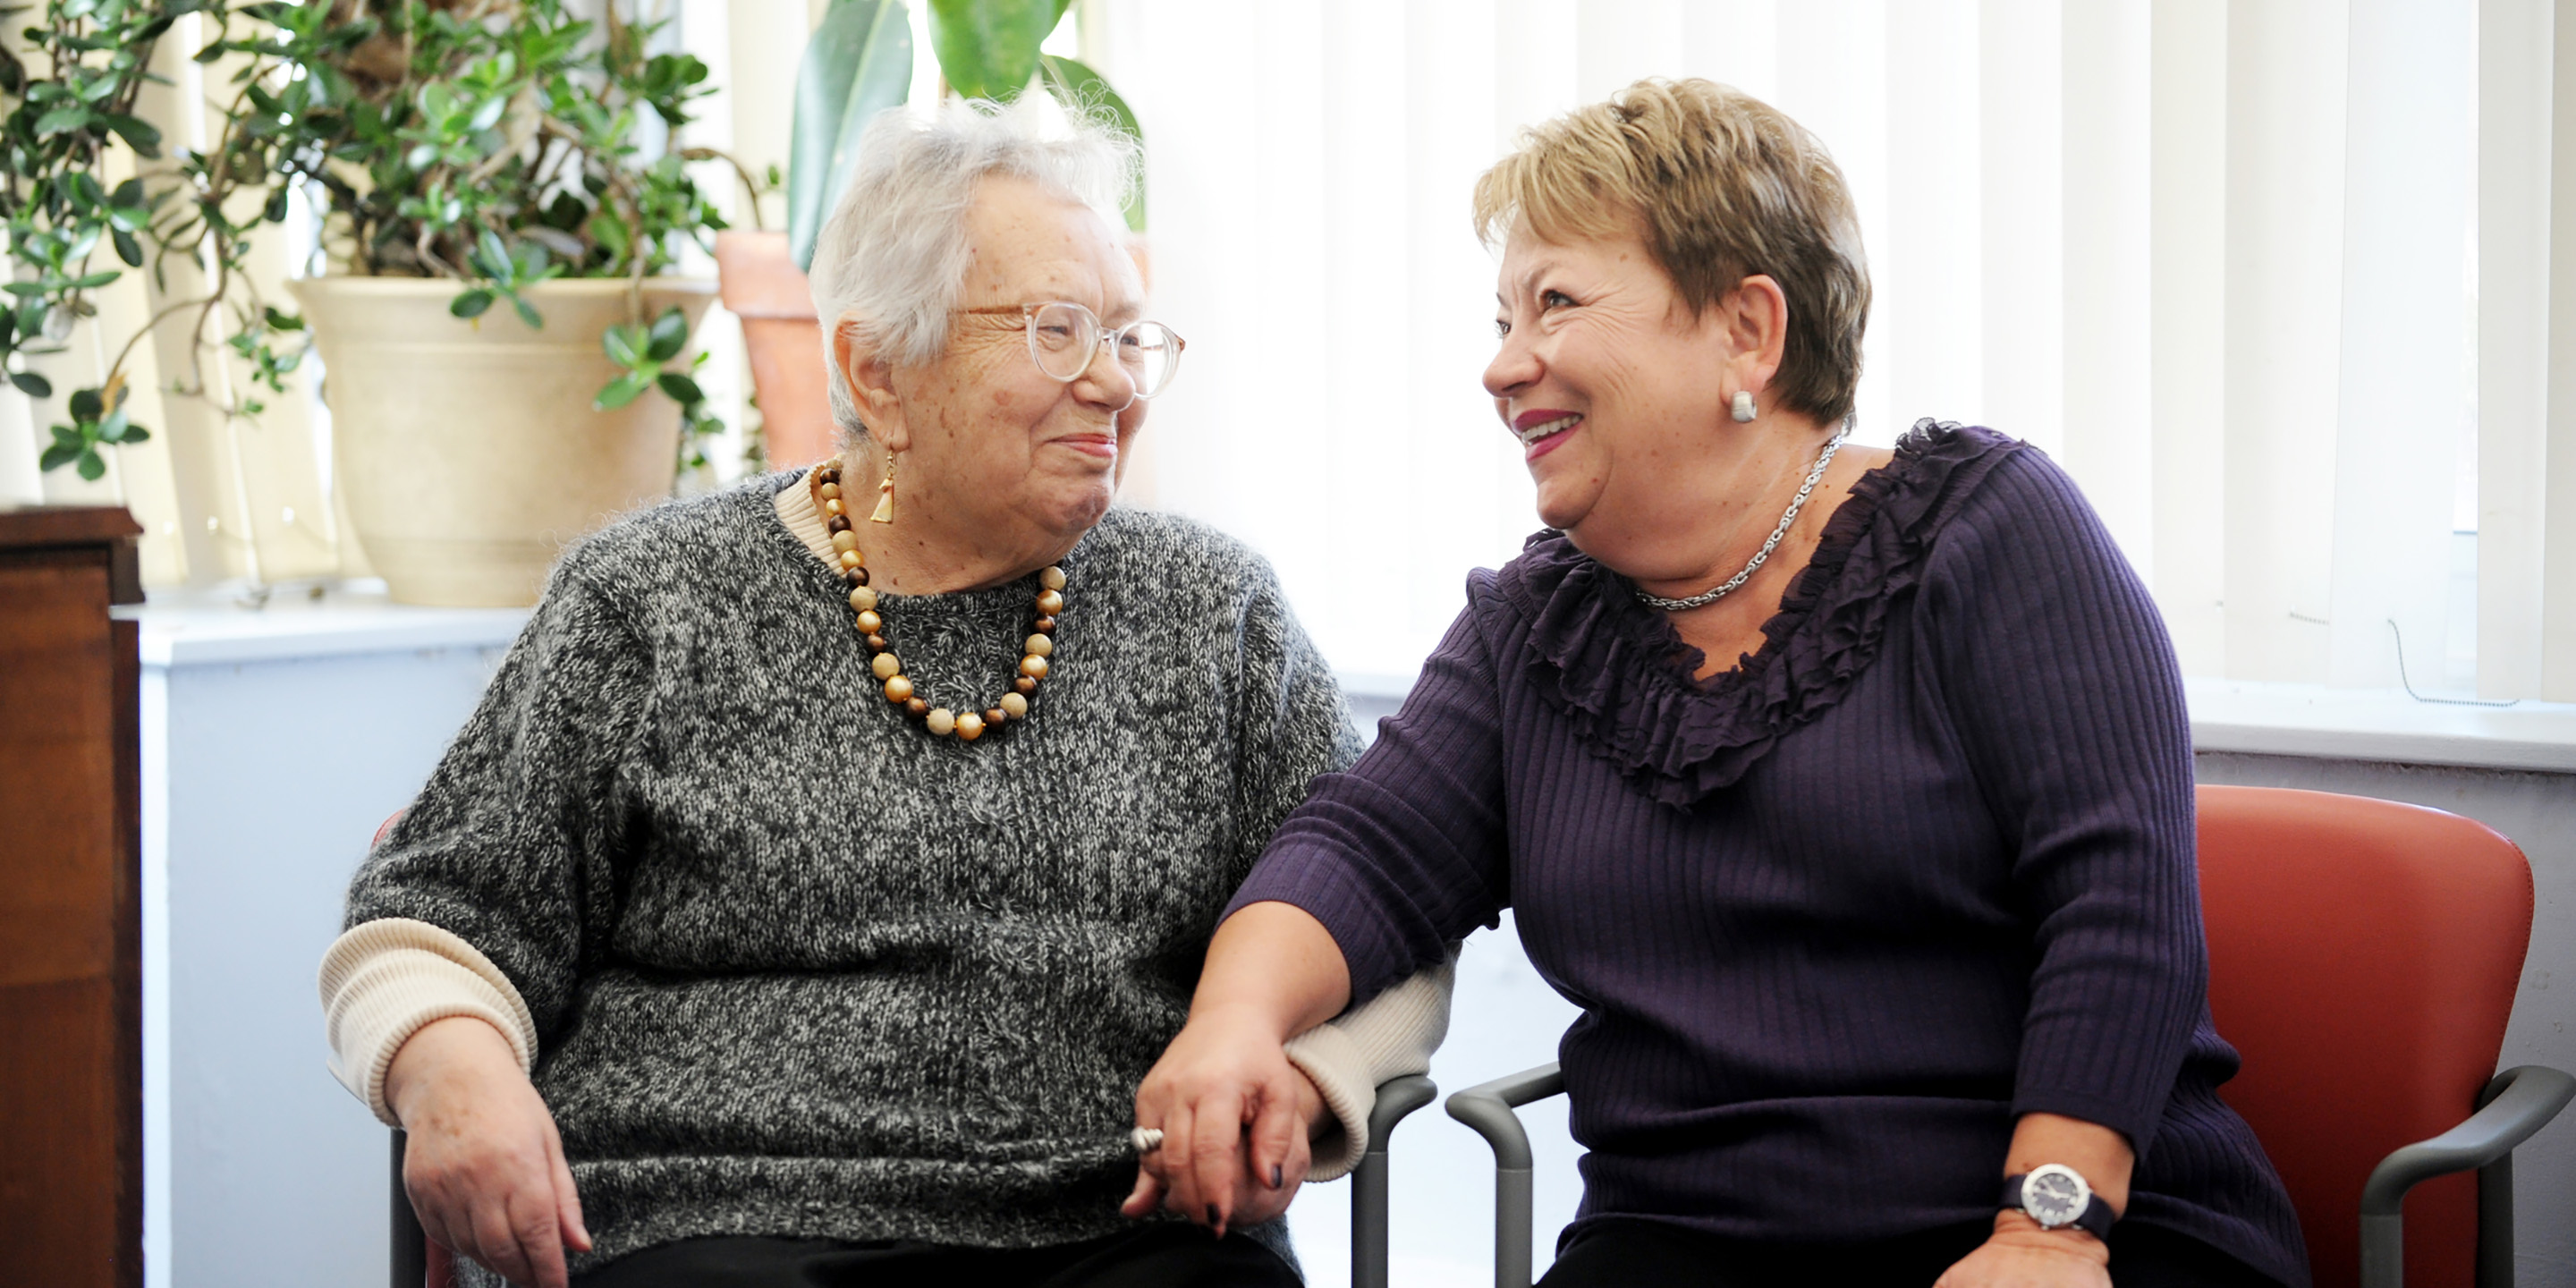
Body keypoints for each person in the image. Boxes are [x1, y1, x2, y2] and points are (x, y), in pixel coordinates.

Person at [1131, 78, 2311, 1288]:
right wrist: (1233, 1022)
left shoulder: (1987, 532)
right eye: (1500, 321)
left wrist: (2044, 1226)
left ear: (1747, 330)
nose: (1503, 367)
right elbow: (1367, 851)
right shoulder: (1536, 626)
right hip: (1687, 1244)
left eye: (1555, 305)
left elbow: (2120, 909)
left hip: (2062, 1221)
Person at [318, 97, 1450, 1288]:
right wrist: (454, 1072)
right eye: (1060, 331)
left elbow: (1387, 897)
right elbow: (440, 906)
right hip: (721, 1225)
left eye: (1129, 336)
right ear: (880, 368)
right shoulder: (654, 597)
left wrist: (1308, 1076)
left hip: (1123, 1231)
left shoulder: (1211, 610)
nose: (1116, 383)